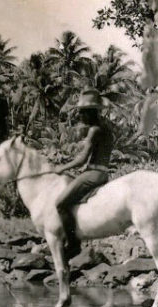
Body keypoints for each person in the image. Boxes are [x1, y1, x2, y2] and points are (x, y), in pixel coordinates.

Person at [54, 88, 115, 258]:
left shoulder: (94, 130)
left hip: (94, 174)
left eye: (83, 112)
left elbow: (82, 159)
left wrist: (61, 168)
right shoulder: (107, 127)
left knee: (60, 204)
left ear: (91, 112)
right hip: (102, 172)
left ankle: (73, 244)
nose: (80, 116)